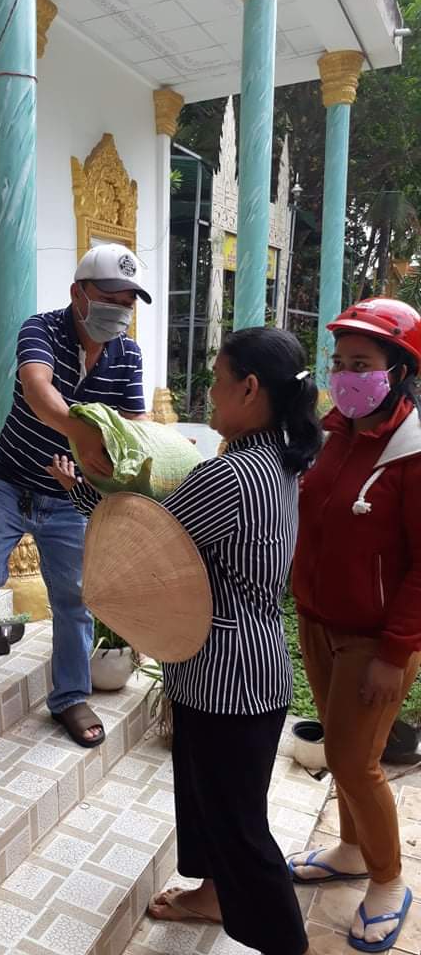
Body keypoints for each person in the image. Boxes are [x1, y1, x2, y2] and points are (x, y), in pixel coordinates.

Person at [50, 328, 323, 955]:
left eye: (218, 382)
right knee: (205, 796)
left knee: (240, 826)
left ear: (249, 389)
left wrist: (86, 488)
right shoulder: (278, 458)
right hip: (231, 664)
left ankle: (290, 944)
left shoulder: (231, 475)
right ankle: (213, 895)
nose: (210, 394)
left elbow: (148, 540)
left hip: (231, 675)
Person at [0, 243, 150, 747]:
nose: (120, 311)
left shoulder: (128, 354)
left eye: (128, 302)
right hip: (10, 483)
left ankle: (71, 696)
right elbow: (37, 390)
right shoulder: (42, 328)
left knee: (75, 597)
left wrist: (134, 457)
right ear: (79, 293)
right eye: (110, 298)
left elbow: (137, 420)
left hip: (72, 497)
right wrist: (83, 436)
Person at [290, 298, 421, 953]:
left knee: (354, 759)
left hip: (373, 638)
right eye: (339, 362)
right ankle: (349, 850)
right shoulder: (335, 431)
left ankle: (389, 881)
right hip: (318, 620)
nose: (345, 375)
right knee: (342, 747)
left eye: (361, 363)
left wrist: (396, 653)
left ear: (400, 372)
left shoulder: (412, 454)